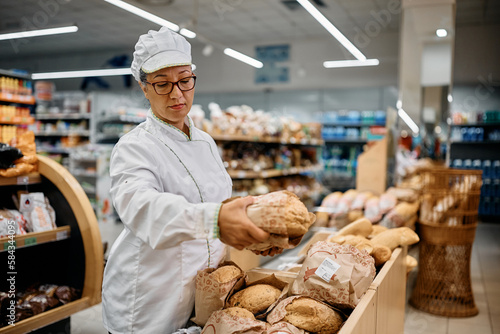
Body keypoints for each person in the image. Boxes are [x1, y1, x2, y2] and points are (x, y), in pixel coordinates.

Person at [101, 27, 281, 333]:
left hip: (203, 293)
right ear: (144, 88)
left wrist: (248, 233)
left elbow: (216, 205)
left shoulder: (206, 142)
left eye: (185, 81)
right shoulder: (135, 147)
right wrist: (217, 220)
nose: (177, 93)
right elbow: (143, 209)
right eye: (162, 84)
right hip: (149, 299)